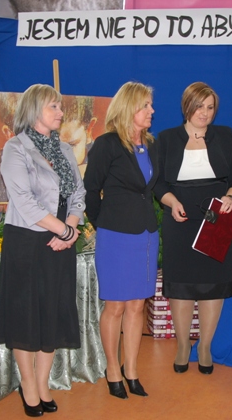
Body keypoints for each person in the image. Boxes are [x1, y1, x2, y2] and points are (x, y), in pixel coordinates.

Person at [0, 84, 85, 416]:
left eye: (60, 107)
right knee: (25, 316)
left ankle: (44, 383)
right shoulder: (15, 148)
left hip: (60, 241)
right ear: (34, 111)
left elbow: (78, 194)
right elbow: (24, 202)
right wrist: (64, 230)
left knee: (52, 313)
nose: (61, 112)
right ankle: (28, 385)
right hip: (27, 241)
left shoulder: (63, 149)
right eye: (53, 107)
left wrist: (70, 229)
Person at [154, 82, 232, 375]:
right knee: (181, 286)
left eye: (210, 107)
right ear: (187, 107)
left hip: (217, 219)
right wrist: (171, 202)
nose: (204, 113)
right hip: (180, 219)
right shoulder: (166, 138)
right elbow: (157, 183)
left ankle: (205, 346)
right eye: (199, 107)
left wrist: (231, 197)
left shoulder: (225, 136)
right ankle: (183, 345)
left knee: (212, 286)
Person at [84, 81, 159, 399]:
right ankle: (112, 369)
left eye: (151, 105)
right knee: (115, 306)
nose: (152, 110)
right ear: (129, 108)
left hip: (146, 235)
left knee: (137, 305)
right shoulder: (106, 144)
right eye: (146, 105)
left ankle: (132, 370)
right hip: (115, 235)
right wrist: (103, 224)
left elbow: (154, 188)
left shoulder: (151, 145)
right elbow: (90, 190)